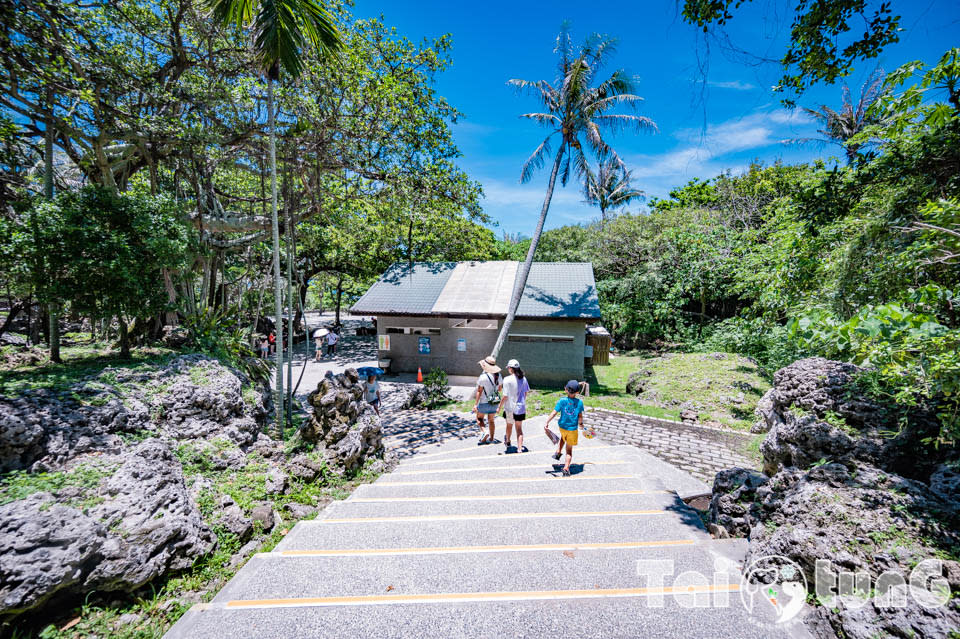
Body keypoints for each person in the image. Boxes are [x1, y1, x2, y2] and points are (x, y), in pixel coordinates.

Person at [544, 380, 585, 476]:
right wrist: (581, 424)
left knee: (563, 436)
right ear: (577, 392)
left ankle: (558, 452)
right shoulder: (579, 403)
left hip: (562, 427)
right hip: (572, 430)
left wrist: (547, 422)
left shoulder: (562, 401)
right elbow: (580, 416)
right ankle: (566, 468)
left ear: (565, 389)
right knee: (569, 450)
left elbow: (554, 412)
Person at [498, 359, 531, 453]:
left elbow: (505, 396)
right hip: (520, 407)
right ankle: (520, 448)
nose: (508, 369)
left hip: (509, 407)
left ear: (511, 368)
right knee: (519, 429)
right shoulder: (523, 379)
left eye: (508, 367)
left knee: (509, 425)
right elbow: (525, 393)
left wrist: (499, 407)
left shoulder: (507, 379)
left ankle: (508, 441)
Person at [474, 355, 501, 445]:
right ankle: (492, 438)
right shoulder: (498, 375)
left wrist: (475, 404)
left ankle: (485, 432)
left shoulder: (483, 377)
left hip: (484, 402)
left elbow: (479, 391)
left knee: (479, 418)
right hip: (494, 401)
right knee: (491, 420)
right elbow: (500, 389)